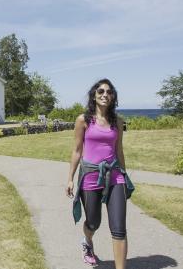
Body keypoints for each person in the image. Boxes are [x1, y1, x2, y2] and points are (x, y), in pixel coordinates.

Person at [66, 79, 133, 268]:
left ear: (113, 97)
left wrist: (124, 175)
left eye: (109, 92)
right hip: (90, 176)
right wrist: (70, 179)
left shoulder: (118, 122)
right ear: (94, 95)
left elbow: (119, 150)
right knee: (93, 222)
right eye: (101, 91)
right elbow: (77, 150)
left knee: (119, 229)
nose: (105, 94)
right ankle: (87, 242)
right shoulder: (83, 120)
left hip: (114, 176)